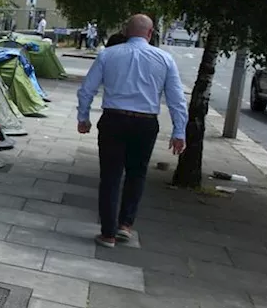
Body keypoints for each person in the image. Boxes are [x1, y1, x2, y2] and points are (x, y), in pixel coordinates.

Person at [77, 14, 188, 248]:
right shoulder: (165, 59)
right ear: (150, 33)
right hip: (145, 123)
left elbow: (87, 89)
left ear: (126, 32)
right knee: (136, 174)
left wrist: (83, 117)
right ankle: (125, 225)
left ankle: (107, 233)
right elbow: (177, 99)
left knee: (110, 176)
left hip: (113, 120)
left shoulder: (108, 55)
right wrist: (179, 132)